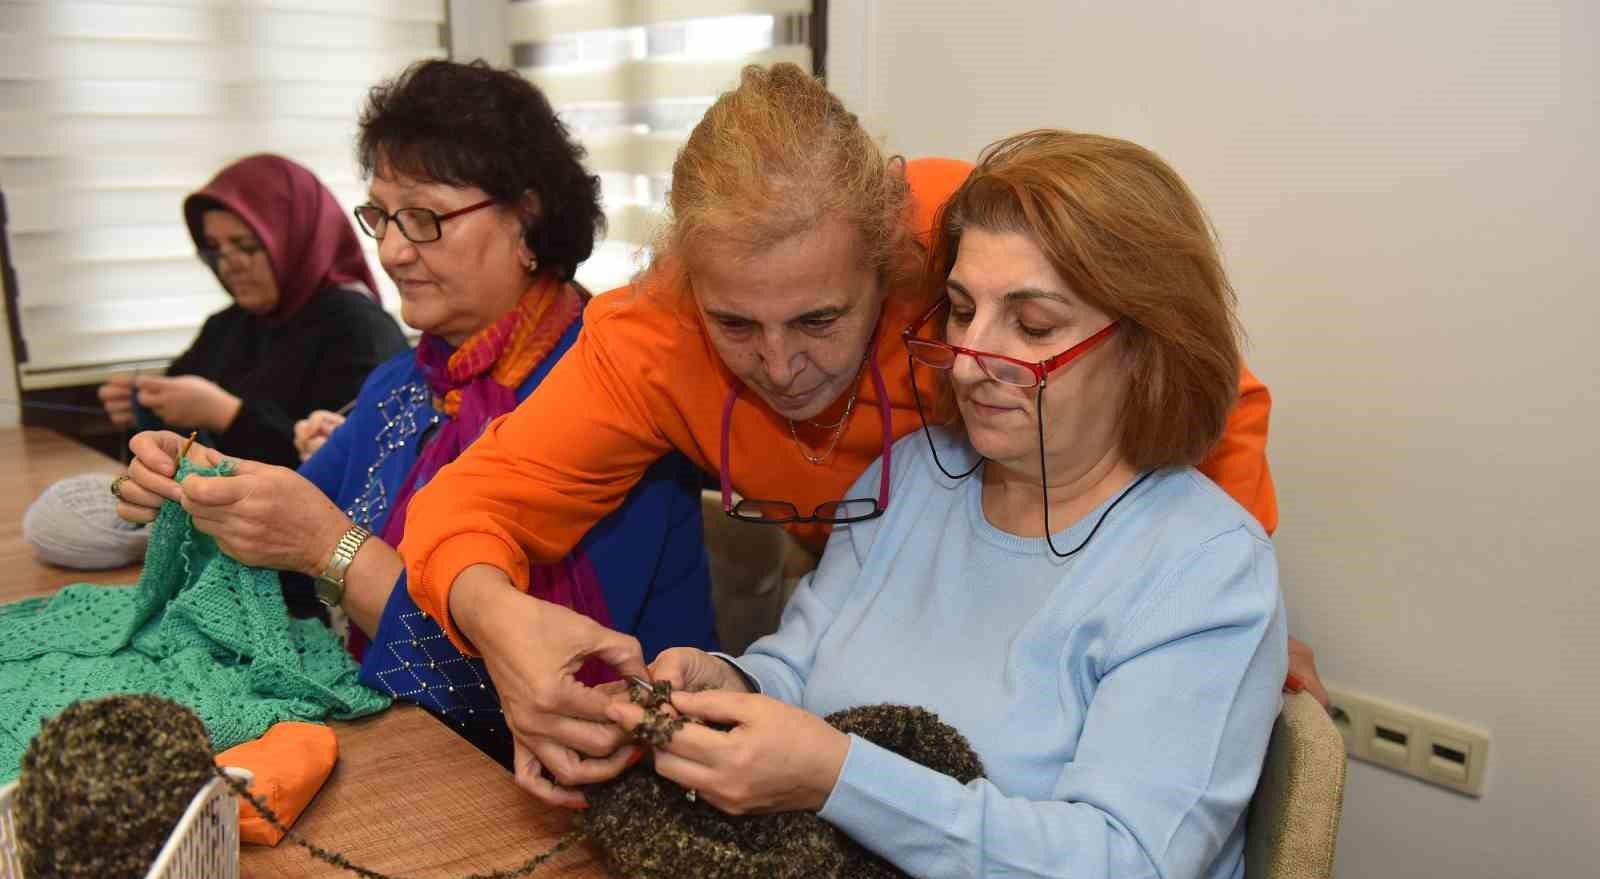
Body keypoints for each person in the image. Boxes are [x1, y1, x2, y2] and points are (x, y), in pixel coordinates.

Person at [395, 63, 1286, 808]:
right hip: (869, 610)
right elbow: (463, 508)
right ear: (686, 284)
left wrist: (1199, 622)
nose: (782, 367)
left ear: (894, 267)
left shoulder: (959, 242)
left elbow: (1200, 386)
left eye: (821, 319)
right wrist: (502, 625)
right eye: (736, 326)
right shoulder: (649, 337)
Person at [609, 129, 1286, 879]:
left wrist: (840, 776)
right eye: (962, 310)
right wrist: (723, 682)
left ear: (1146, 343)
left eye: (1032, 327)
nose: (969, 360)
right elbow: (799, 668)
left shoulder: (1204, 568)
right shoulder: (911, 479)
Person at [110, 60, 718, 768]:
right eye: (381, 217)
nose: (393, 251)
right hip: (409, 749)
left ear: (527, 219)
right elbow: (290, 526)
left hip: (578, 784)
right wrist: (201, 486)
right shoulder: (409, 381)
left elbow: (553, 694)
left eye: (424, 218)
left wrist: (329, 548)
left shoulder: (612, 399)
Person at [97, 154, 404, 469]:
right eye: (214, 249)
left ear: (294, 240)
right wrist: (145, 404)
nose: (229, 265)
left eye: (246, 246)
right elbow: (178, 415)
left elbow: (353, 465)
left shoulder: (359, 329)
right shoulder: (229, 324)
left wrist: (226, 414)